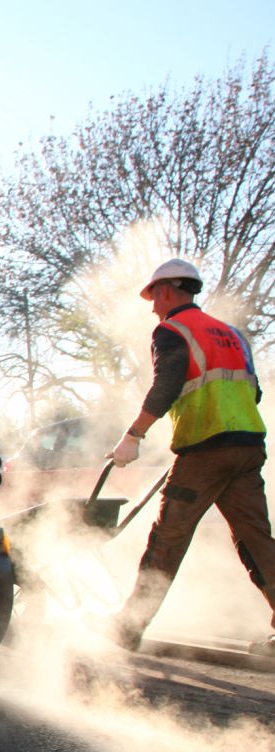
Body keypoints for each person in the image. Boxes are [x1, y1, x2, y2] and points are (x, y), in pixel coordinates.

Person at [101, 259, 275, 656]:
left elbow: (167, 385)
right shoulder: (232, 334)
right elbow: (255, 392)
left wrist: (134, 434)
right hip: (247, 446)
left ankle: (128, 628)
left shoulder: (171, 330)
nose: (152, 307)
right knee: (256, 539)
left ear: (165, 291)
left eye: (153, 297)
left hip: (206, 447)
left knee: (168, 537)